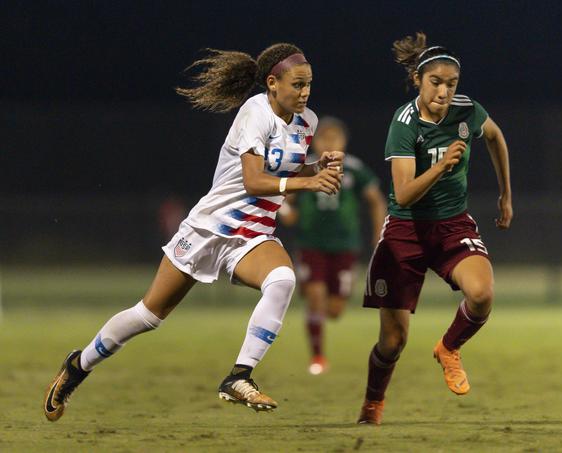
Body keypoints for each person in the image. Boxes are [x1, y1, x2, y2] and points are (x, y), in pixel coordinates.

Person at [43, 43, 345, 422]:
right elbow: (254, 181)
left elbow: (282, 170)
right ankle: (78, 365)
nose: (305, 93)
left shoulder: (307, 123)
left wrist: (315, 166)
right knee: (148, 315)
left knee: (283, 280)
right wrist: (312, 182)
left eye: (309, 85)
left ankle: (239, 376)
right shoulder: (255, 113)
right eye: (297, 85)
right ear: (272, 82)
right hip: (208, 228)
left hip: (251, 235)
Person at [357, 32, 513, 425]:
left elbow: (494, 136)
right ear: (418, 80)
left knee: (482, 294)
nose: (444, 92)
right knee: (393, 342)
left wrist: (505, 195)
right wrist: (441, 166)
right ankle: (372, 404)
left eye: (451, 84)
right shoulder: (404, 123)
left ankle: (448, 348)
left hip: (451, 225)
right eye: (436, 83)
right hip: (405, 232)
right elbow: (405, 194)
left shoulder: (467, 111)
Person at [278, 117, 386, 375]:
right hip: (311, 243)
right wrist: (286, 211)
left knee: (335, 310)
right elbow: (283, 198)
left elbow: (376, 200)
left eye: (335, 138)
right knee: (316, 298)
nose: (330, 143)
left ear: (344, 142)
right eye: (325, 138)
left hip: (345, 245)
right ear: (315, 142)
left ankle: (315, 309)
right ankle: (317, 357)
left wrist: (379, 233)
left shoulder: (354, 169)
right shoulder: (305, 168)